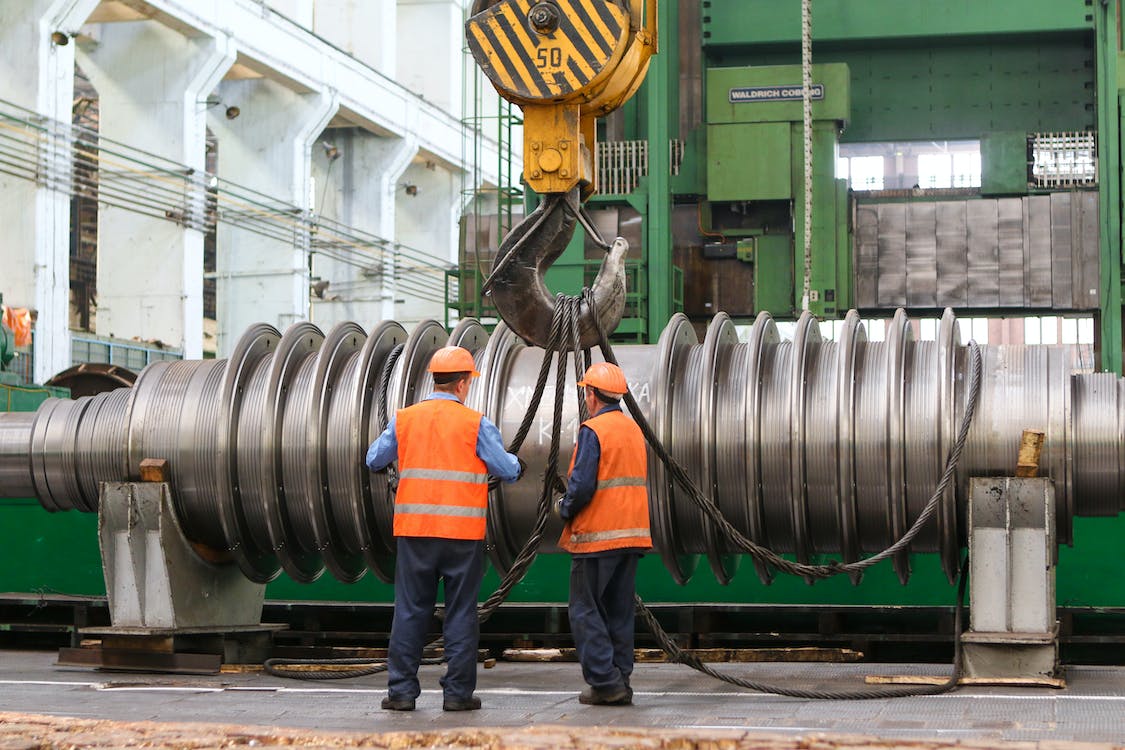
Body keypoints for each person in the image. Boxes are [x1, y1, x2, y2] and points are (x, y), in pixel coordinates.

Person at [366, 345, 522, 712]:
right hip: (461, 537)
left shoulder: (405, 419)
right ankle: (457, 695)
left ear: (434, 379)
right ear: (464, 384)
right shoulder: (476, 423)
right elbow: (507, 469)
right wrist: (518, 464)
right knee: (461, 613)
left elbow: (374, 459)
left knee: (409, 611)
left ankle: (402, 693)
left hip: (415, 533)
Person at [555, 361, 651, 706]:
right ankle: (620, 679)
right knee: (619, 610)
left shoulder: (593, 430)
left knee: (585, 609)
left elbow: (581, 486)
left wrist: (562, 507)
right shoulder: (632, 430)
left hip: (598, 537)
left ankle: (604, 682)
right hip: (633, 536)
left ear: (591, 394)